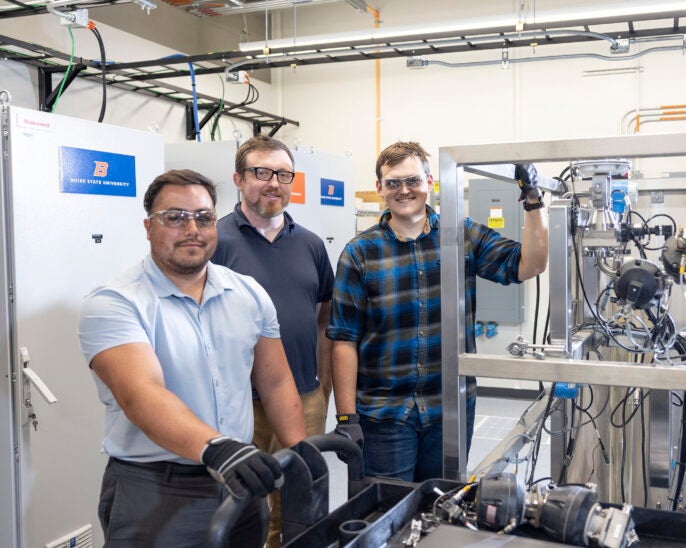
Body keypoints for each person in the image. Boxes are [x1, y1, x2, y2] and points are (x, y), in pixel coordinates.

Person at [78, 169, 307, 547]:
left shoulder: (247, 292)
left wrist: (300, 455)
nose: (192, 229)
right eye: (175, 217)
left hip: (241, 483)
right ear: (148, 226)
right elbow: (142, 394)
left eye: (203, 217)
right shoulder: (114, 302)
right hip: (156, 489)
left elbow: (276, 382)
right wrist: (217, 448)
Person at [326, 141, 548, 481]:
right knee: (385, 515)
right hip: (384, 414)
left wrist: (533, 202)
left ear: (430, 183)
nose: (404, 190)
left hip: (449, 409)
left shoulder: (462, 236)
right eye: (393, 182)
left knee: (442, 510)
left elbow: (530, 264)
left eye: (413, 180)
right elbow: (344, 340)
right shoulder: (360, 252)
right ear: (380, 188)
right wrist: (346, 418)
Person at [212, 135, 334, 548]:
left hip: (303, 395)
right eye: (261, 172)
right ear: (238, 179)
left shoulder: (312, 245)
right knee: (241, 507)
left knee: (300, 504)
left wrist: (323, 389)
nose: (273, 183)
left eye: (283, 174)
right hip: (237, 401)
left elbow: (323, 322)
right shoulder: (214, 242)